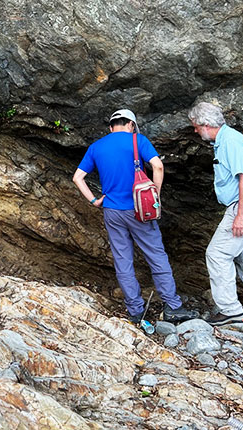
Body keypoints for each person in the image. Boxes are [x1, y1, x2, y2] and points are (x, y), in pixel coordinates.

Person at [73, 109, 197, 324]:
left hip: (112, 210)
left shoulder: (96, 147)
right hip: (140, 210)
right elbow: (157, 165)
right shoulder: (137, 140)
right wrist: (155, 194)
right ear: (131, 124)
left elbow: (78, 178)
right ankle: (172, 307)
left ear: (111, 127)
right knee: (156, 255)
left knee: (123, 260)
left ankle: (136, 311)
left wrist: (94, 200)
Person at [188, 102, 243, 326]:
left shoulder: (231, 141)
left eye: (195, 126)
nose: (195, 131)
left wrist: (241, 215)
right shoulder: (224, 140)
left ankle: (230, 309)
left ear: (206, 124)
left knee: (217, 254)